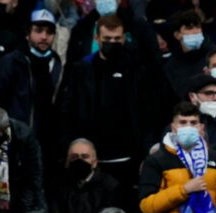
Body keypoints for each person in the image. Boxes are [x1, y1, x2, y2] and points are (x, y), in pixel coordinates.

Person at [61, 15, 154, 188]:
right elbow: (67, 112)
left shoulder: (137, 70)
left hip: (128, 158)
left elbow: (147, 115)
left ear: (124, 38)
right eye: (107, 39)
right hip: (91, 158)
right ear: (97, 38)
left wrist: (145, 155)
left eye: (117, 38)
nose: (112, 42)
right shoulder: (81, 70)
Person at [139, 102, 216, 213]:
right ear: (173, 127)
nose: (188, 127)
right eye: (183, 122)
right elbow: (147, 206)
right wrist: (184, 190)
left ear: (201, 128)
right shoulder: (158, 160)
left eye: (193, 123)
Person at [0, 9, 63, 185]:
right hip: (13, 143)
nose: (44, 37)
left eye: (49, 32)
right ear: (28, 34)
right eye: (38, 31)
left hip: (47, 144)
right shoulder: (10, 62)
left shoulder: (57, 63)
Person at [52, 138, 122, 213]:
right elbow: (56, 212)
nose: (79, 161)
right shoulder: (58, 184)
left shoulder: (110, 185)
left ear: (95, 162)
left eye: (85, 157)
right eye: (74, 157)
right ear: (66, 162)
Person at [163, 10, 212, 101]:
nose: (195, 31)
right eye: (189, 28)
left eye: (198, 27)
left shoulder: (213, 56)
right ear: (177, 35)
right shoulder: (171, 66)